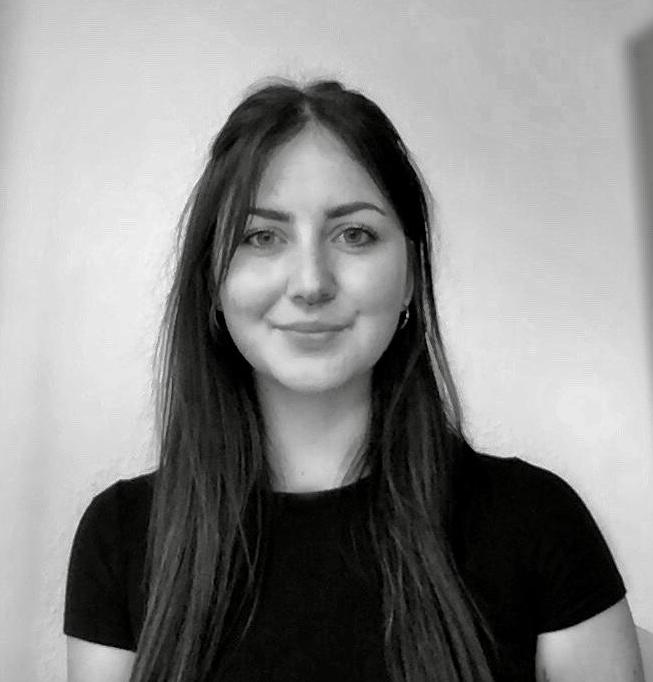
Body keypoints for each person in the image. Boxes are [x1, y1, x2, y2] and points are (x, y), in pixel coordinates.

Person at [64, 78, 644, 682]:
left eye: (354, 235)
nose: (311, 283)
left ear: (411, 276)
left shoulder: (536, 522)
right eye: (262, 237)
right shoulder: (121, 537)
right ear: (213, 279)